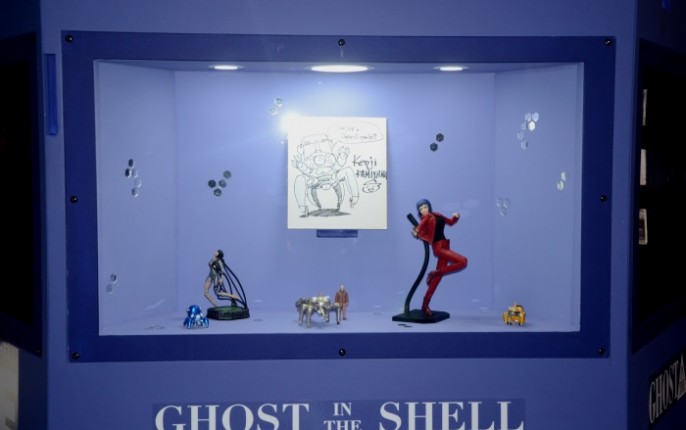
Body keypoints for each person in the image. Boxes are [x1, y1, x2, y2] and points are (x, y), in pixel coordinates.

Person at [411, 198, 468, 316]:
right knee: (463, 261)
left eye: (425, 207)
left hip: (445, 245)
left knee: (436, 280)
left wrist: (456, 217)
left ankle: (425, 305)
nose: (423, 210)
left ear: (429, 206)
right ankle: (435, 272)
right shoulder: (425, 218)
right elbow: (419, 229)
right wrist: (416, 232)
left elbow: (450, 222)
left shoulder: (437, 214)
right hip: (439, 248)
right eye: (421, 209)